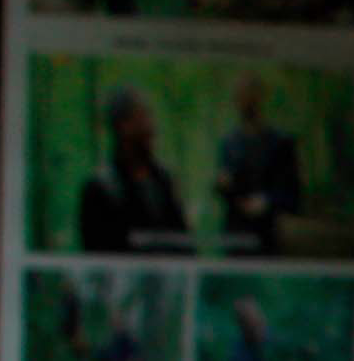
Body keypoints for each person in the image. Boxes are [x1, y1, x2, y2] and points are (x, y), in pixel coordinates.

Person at [73, 89, 187, 254]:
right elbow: (97, 253)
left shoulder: (163, 181)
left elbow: (183, 244)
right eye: (142, 118)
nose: (151, 127)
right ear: (123, 126)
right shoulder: (99, 188)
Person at [211, 73, 305, 257]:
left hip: (266, 234)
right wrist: (222, 184)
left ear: (260, 97)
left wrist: (267, 202)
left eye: (249, 95)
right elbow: (223, 189)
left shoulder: (280, 142)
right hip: (234, 235)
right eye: (240, 96)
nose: (244, 101)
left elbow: (293, 194)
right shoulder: (229, 143)